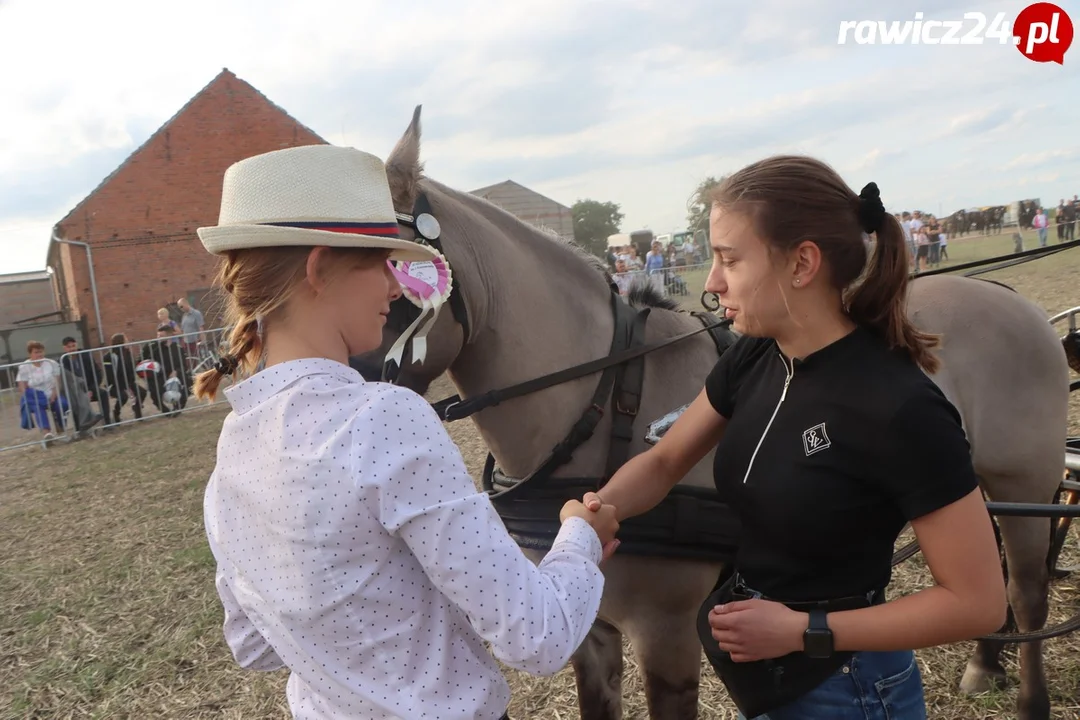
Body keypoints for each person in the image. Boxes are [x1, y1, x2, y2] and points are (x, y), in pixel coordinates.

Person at [192, 145, 620, 720]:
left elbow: (255, 646)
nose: (396, 289)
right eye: (380, 264)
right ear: (319, 269)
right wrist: (580, 538)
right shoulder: (382, 418)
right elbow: (537, 636)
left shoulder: (233, 452)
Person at [581, 155, 1007, 719]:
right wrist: (595, 514)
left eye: (729, 259)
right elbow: (664, 461)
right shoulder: (758, 354)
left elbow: (978, 605)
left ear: (802, 262)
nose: (711, 283)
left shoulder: (900, 408)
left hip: (848, 686)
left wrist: (805, 631)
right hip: (771, 673)